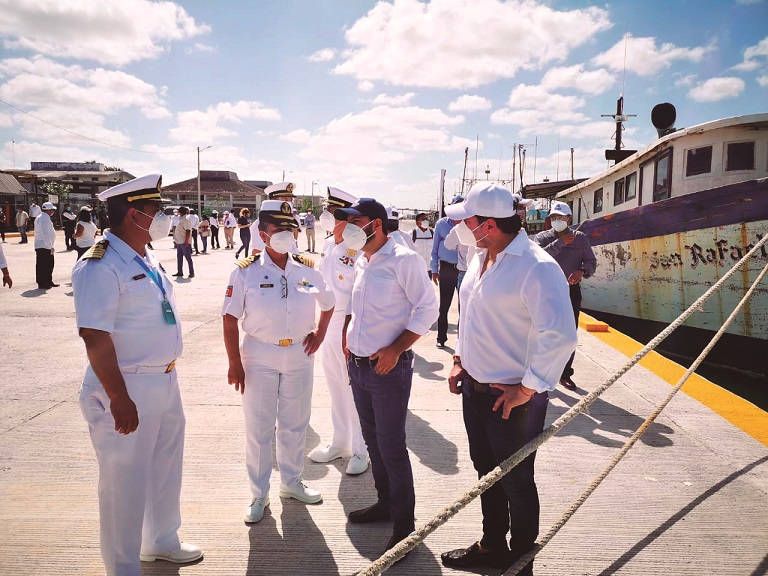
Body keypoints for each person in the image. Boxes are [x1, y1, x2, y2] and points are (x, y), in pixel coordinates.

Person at [439, 182, 577, 575]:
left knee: (516, 478)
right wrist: (460, 360)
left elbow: (560, 333)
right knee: (486, 471)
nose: (461, 227)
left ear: (487, 224)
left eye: (467, 221)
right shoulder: (481, 256)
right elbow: (473, 316)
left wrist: (529, 388)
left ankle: (520, 562)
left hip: (512, 398)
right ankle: (491, 545)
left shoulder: (536, 266)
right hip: (476, 389)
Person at [72, 174, 202, 576]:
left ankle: (161, 540)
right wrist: (118, 397)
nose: (161, 217)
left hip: (164, 380)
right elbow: (95, 335)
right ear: (135, 214)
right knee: (123, 483)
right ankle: (123, 567)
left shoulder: (145, 256)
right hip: (126, 383)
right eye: (155, 211)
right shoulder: (100, 263)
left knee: (165, 465)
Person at [222, 199, 335, 524]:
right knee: (259, 427)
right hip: (259, 355)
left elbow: (327, 304)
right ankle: (259, 495)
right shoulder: (246, 272)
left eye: (290, 228)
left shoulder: (304, 270)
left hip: (299, 353)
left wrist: (320, 335)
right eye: (279, 229)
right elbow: (229, 319)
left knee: (295, 421)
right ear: (262, 233)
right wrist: (234, 363)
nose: (286, 234)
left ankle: (291, 482)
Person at [337, 198, 439, 555]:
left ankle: (405, 526)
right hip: (360, 366)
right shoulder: (365, 258)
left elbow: (428, 307)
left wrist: (396, 348)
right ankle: (385, 504)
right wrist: (348, 337)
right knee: (373, 440)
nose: (348, 227)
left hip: (387, 370)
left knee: (392, 446)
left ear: (376, 224)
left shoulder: (403, 258)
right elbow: (358, 306)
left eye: (356, 221)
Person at [309, 187, 369, 476]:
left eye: (334, 212)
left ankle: (361, 449)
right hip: (327, 322)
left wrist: (350, 328)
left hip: (348, 321)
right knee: (335, 385)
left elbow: (360, 293)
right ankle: (340, 442)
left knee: (353, 388)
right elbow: (322, 285)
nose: (328, 216)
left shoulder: (357, 249)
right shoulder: (328, 245)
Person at [533, 201, 596, 391]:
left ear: (569, 219)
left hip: (570, 291)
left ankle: (565, 373)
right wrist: (560, 243)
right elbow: (537, 257)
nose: (557, 220)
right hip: (546, 290)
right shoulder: (542, 237)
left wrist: (581, 271)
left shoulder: (581, 238)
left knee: (569, 333)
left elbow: (591, 262)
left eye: (561, 217)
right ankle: (539, 371)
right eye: (554, 217)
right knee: (540, 330)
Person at [430, 199, 460, 348]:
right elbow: (434, 250)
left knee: (465, 307)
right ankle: (441, 338)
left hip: (464, 270)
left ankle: (462, 340)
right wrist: (434, 270)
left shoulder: (468, 223)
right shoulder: (441, 224)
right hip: (446, 269)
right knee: (444, 306)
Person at [34, 201, 58, 289]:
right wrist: (50, 246)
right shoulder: (44, 218)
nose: (53, 212)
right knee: (43, 265)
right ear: (48, 210)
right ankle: (43, 283)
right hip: (44, 246)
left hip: (44, 245)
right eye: (52, 210)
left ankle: (48, 281)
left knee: (48, 264)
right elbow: (45, 234)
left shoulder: (42, 217)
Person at [172, 206, 194, 279]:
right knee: (179, 258)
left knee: (188, 258)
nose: (177, 212)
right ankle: (180, 272)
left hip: (184, 242)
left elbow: (188, 231)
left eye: (178, 211)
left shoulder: (186, 220)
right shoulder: (180, 219)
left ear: (181, 212)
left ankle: (191, 273)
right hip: (179, 241)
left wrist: (186, 241)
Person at [411, 212, 434, 278]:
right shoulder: (412, 234)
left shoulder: (432, 233)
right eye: (423, 219)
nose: (426, 221)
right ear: (417, 223)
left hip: (429, 270)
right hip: (416, 270)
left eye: (426, 219)